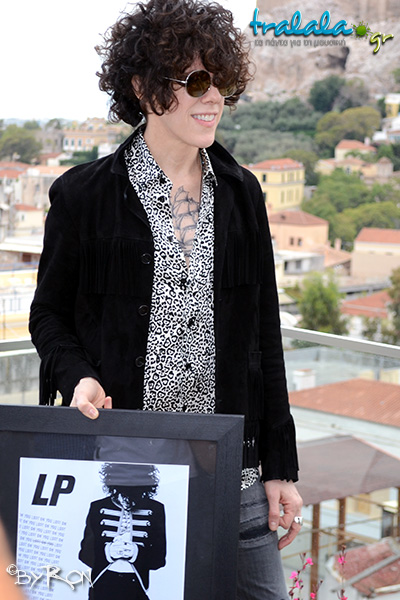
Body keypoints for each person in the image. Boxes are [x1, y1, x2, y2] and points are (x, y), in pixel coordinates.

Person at [29, 1, 303, 598]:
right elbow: (47, 314)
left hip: (233, 467)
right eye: (197, 82)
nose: (214, 99)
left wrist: (280, 467)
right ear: (143, 87)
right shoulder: (82, 196)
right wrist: (77, 376)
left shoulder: (243, 194)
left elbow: (265, 337)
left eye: (222, 83)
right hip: (124, 469)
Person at [79, 463, 166, 600]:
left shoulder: (156, 509)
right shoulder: (97, 507)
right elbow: (85, 554)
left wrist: (136, 552)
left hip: (136, 585)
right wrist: (108, 552)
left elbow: (159, 560)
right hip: (102, 584)